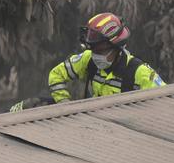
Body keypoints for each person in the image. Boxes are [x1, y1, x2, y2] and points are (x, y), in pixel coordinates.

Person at [10, 11, 165, 110]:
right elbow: (56, 75)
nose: (95, 55)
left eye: (100, 51)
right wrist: (64, 104)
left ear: (116, 47)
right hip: (91, 126)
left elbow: (167, 102)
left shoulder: (140, 73)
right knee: (37, 103)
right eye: (92, 50)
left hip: (124, 135)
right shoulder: (88, 59)